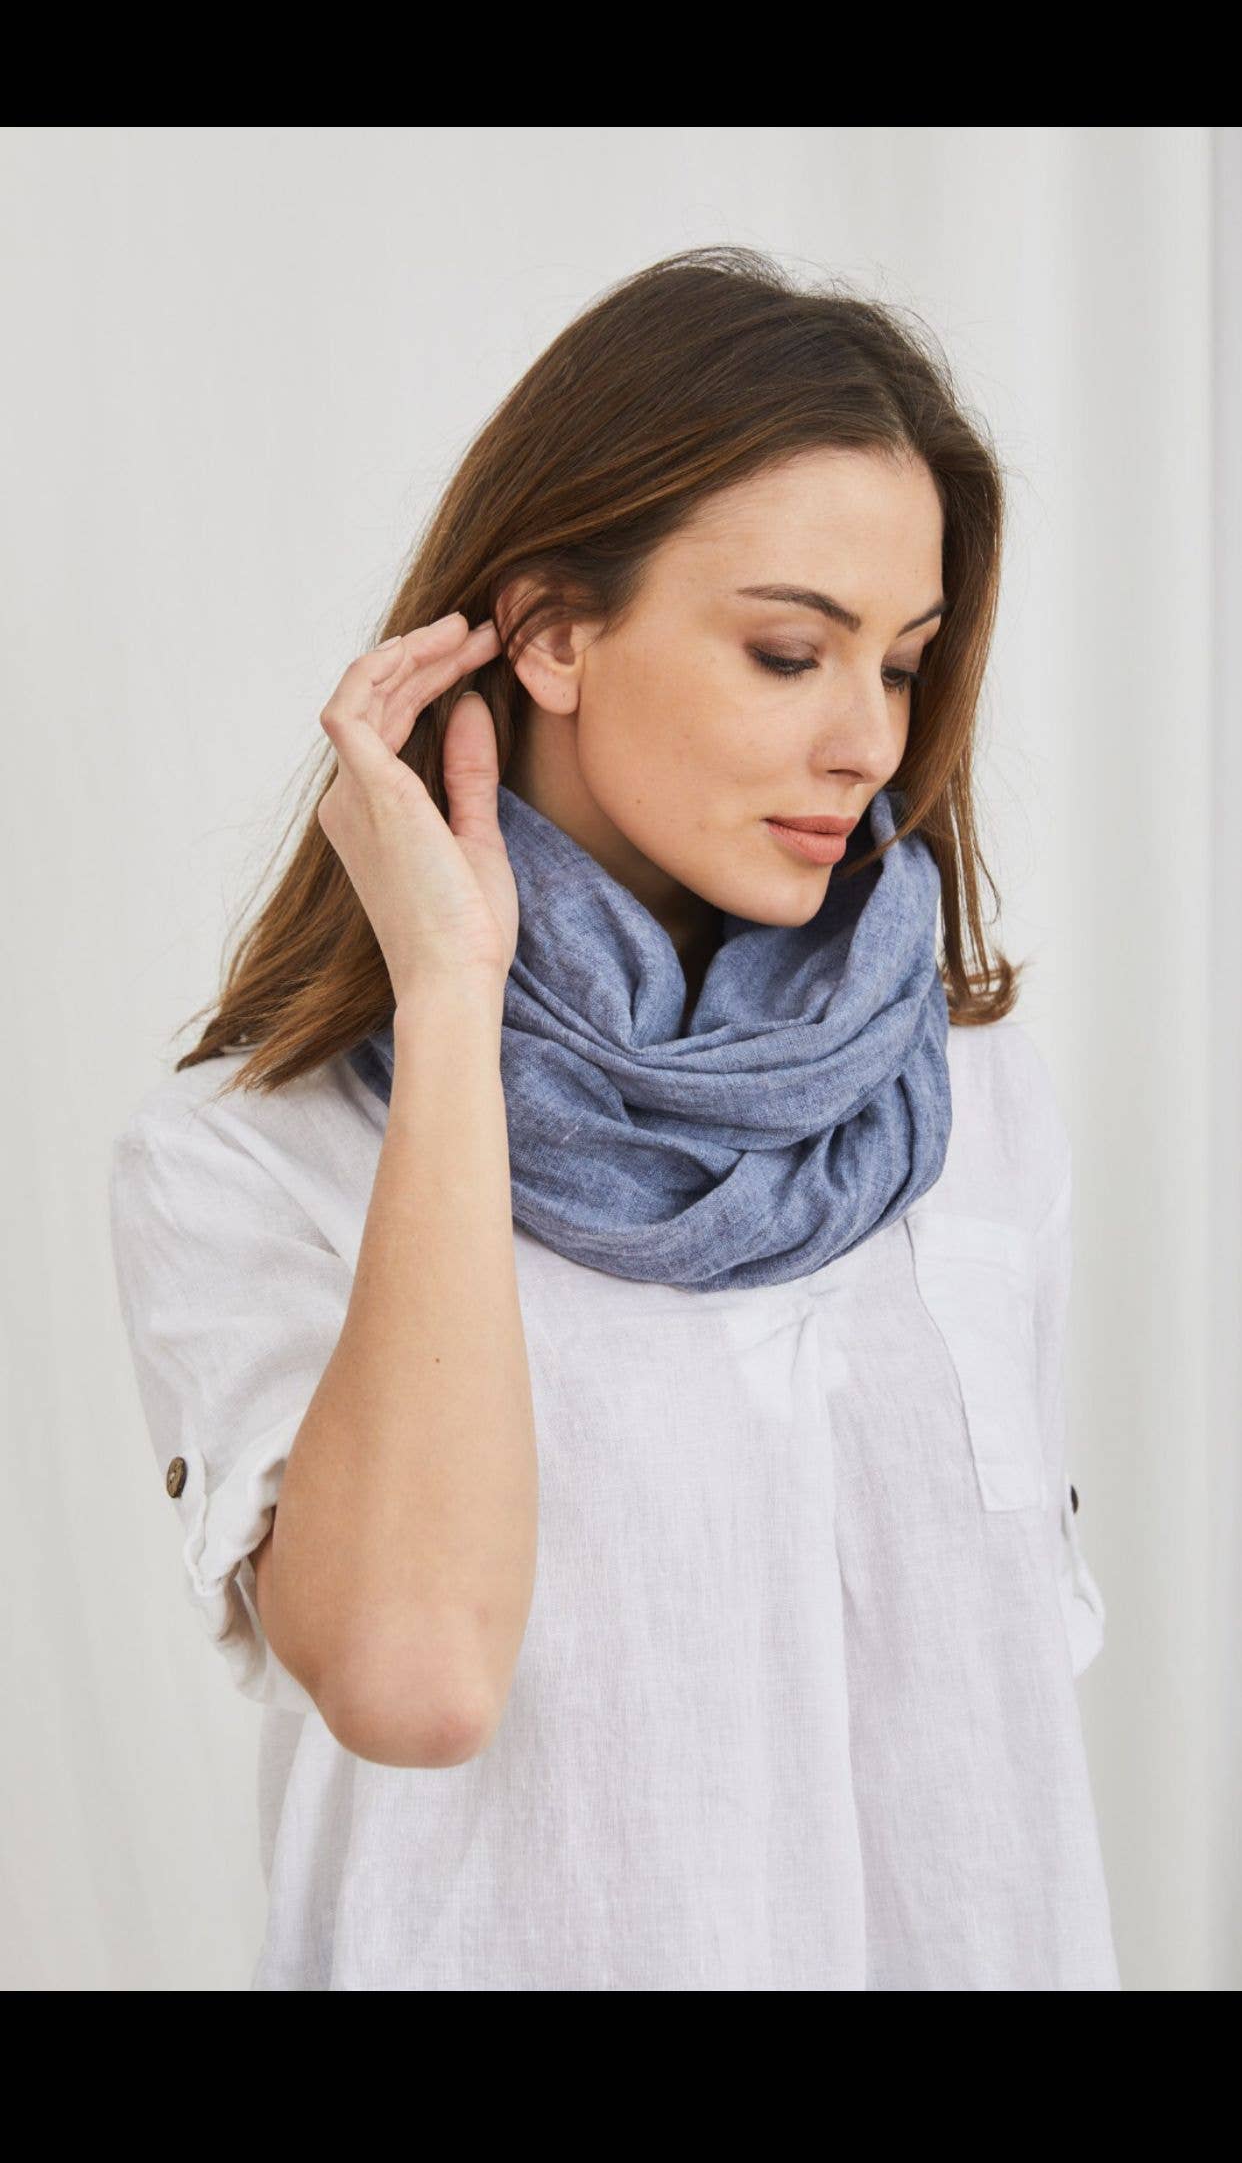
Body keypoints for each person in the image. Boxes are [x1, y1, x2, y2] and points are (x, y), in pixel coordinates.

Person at [107, 245, 1119, 1991]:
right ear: (553, 633)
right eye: (790, 652)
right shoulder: (252, 1160)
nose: (868, 742)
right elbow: (417, 1683)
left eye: (899, 666)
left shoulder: (963, 1109)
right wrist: (449, 1001)